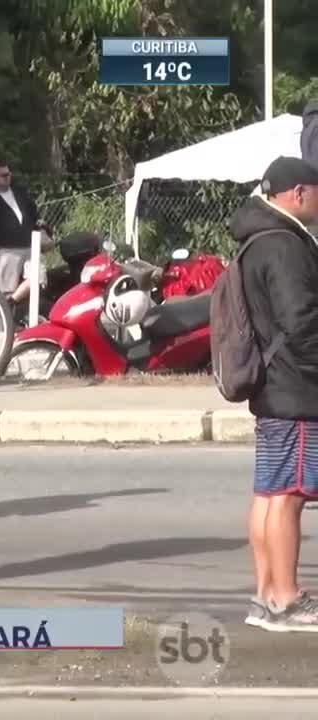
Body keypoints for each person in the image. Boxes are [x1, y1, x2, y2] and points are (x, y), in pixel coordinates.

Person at [232, 155, 318, 631]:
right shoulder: (286, 245)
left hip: (271, 386)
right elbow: (301, 321)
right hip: (296, 387)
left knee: (269, 493)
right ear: (299, 194)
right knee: (289, 495)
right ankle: (287, 598)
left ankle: (266, 595)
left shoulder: (255, 239)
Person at [0, 159, 46, 300]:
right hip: (7, 249)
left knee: (38, 277)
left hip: (30, 244)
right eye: (4, 175)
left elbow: (33, 213)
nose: (8, 178)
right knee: (5, 290)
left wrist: (40, 228)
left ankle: (13, 301)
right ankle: (5, 316)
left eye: (9, 174)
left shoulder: (20, 191)